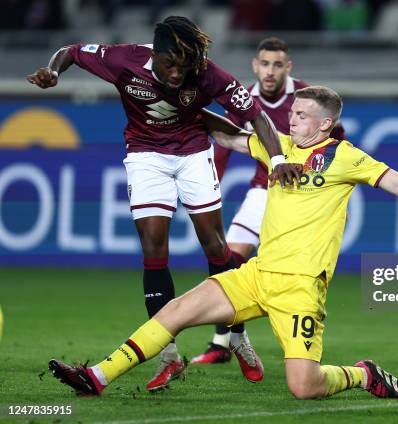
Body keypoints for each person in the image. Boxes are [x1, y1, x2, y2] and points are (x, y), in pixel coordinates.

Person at [48, 85, 398, 400]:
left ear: (325, 123)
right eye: (293, 113)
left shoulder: (344, 157)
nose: (292, 119)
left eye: (302, 115)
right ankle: (97, 376)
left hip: (302, 287)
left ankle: (362, 374)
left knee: (303, 387)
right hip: (258, 274)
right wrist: (182, 103)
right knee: (176, 312)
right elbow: (225, 133)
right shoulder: (277, 145)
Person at [27, 16, 301, 391]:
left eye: (184, 66)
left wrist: (280, 160)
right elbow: (70, 52)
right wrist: (52, 70)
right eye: (170, 64)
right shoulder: (122, 59)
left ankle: (237, 336)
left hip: (192, 154)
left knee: (215, 245)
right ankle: (168, 354)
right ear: (154, 54)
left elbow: (257, 117)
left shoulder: (208, 74)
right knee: (154, 247)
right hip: (145, 156)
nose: (177, 73)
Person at [193, 37, 347, 365]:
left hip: (301, 199)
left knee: (302, 272)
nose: (270, 71)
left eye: (278, 64)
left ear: (287, 67)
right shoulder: (243, 99)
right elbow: (223, 146)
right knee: (228, 260)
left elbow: (338, 138)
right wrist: (210, 190)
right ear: (255, 65)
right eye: (265, 64)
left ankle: (304, 333)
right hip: (264, 191)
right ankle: (225, 340)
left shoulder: (305, 96)